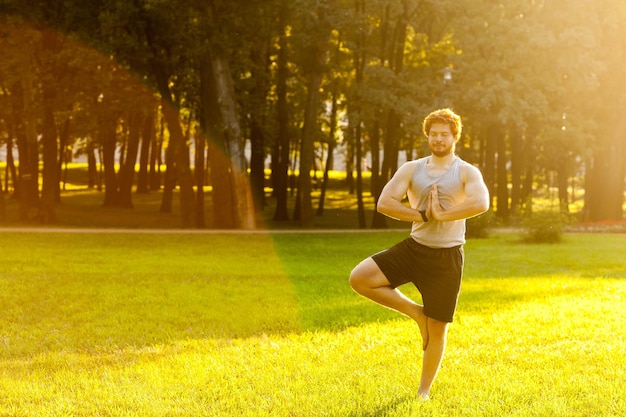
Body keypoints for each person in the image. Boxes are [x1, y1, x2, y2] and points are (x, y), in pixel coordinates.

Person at [349, 108, 490, 399]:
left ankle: (423, 392)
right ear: (428, 136)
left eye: (444, 134)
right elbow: (385, 202)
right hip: (414, 249)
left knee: (438, 329)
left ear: (454, 137)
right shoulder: (412, 169)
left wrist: (444, 214)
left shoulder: (465, 171)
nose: (439, 138)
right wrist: (422, 215)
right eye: (434, 133)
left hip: (447, 257)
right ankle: (417, 314)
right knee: (360, 278)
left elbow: (481, 202)